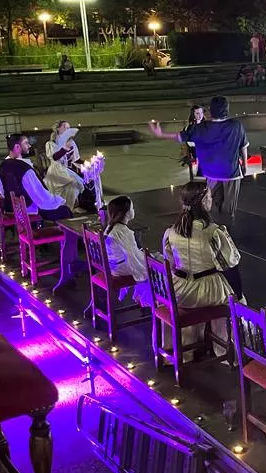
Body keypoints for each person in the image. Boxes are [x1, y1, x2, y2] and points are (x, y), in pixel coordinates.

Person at [162, 182, 244, 355]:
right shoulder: (212, 232)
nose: (211, 200)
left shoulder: (172, 231)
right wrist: (238, 293)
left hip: (178, 291)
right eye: (209, 197)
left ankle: (187, 347)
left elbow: (169, 262)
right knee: (237, 300)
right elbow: (230, 262)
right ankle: (226, 347)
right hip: (206, 290)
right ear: (203, 202)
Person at [149, 96, 248, 229]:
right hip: (232, 172)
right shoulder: (236, 125)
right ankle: (226, 231)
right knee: (229, 208)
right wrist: (245, 166)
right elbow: (243, 147)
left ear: (211, 111)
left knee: (210, 203)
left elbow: (180, 137)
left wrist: (161, 134)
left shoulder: (201, 128)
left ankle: (211, 229)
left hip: (211, 173)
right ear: (226, 109)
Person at [0, 134, 72, 222]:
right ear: (17, 147)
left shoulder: (3, 165)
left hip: (12, 208)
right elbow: (38, 195)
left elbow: (1, 190)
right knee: (65, 210)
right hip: (30, 209)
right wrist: (57, 200)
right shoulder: (24, 168)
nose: (29, 145)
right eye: (26, 143)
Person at [103, 195, 150, 306]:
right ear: (127, 213)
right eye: (132, 208)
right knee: (155, 267)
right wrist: (147, 261)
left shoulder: (111, 227)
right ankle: (146, 298)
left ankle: (140, 294)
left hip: (113, 266)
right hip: (121, 269)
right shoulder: (123, 231)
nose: (134, 210)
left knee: (151, 258)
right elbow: (132, 257)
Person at [44, 120, 90, 210]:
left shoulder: (71, 142)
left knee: (78, 183)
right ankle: (63, 207)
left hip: (65, 170)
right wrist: (64, 149)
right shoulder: (50, 143)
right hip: (56, 170)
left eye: (69, 127)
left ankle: (69, 207)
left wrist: (88, 163)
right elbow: (55, 157)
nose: (67, 129)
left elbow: (76, 159)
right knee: (74, 182)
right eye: (65, 127)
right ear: (58, 129)